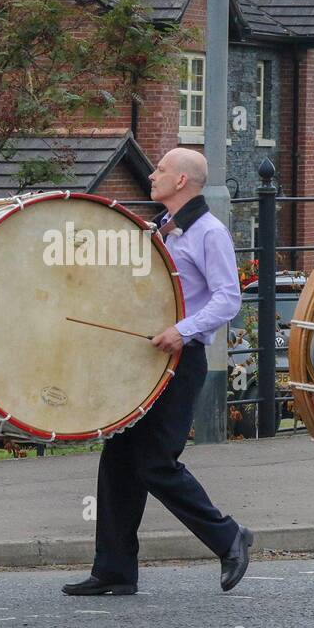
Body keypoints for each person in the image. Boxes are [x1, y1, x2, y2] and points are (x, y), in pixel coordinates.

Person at [63, 148, 253, 596]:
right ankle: (113, 570)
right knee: (118, 461)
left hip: (181, 361)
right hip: (145, 360)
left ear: (183, 181)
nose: (152, 174)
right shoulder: (163, 229)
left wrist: (182, 331)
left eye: (162, 170)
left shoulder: (209, 232)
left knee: (155, 461)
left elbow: (229, 298)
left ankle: (229, 537)